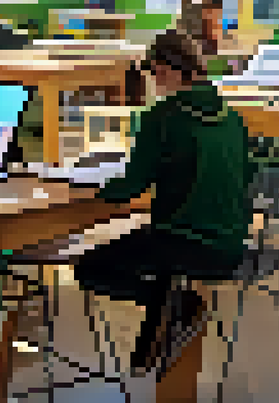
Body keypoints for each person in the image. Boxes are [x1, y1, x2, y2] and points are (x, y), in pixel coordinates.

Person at [75, 31, 258, 376]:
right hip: (233, 245)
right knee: (159, 268)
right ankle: (153, 345)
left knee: (90, 267)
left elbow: (130, 188)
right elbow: (245, 176)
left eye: (153, 71)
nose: (152, 80)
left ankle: (183, 305)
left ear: (169, 68)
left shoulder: (162, 117)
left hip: (183, 240)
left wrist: (82, 188)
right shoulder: (233, 118)